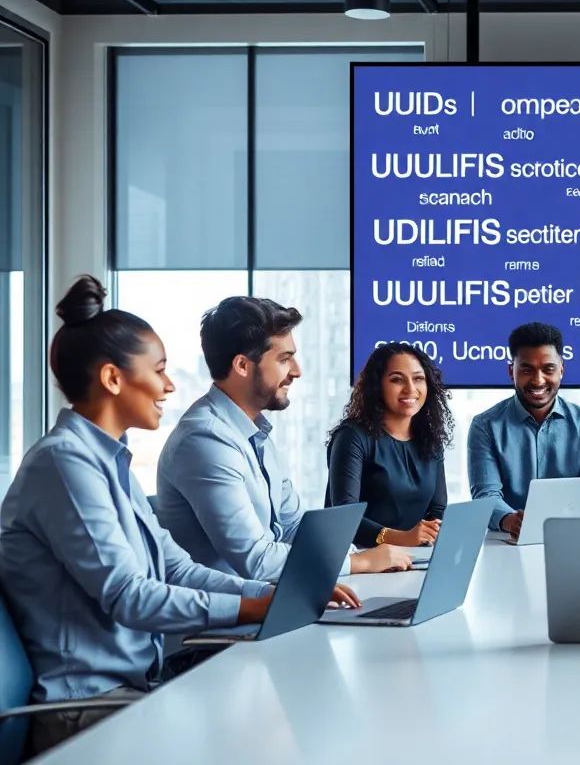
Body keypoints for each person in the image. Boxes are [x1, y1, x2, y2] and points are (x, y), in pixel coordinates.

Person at [0, 277, 316, 755]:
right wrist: (254, 606)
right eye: (161, 370)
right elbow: (129, 596)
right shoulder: (63, 464)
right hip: (85, 713)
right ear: (113, 378)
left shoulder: (111, 462)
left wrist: (276, 593)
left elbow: (177, 569)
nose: (170, 385)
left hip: (132, 692)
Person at [155, 296, 410, 579]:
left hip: (270, 599)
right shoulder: (205, 440)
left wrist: (356, 555)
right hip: (228, 614)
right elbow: (257, 559)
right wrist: (359, 563)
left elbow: (293, 526)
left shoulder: (253, 432)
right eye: (284, 359)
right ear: (242, 365)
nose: (297, 371)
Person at [468, 322, 580, 538]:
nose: (538, 380)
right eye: (527, 369)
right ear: (511, 371)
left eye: (548, 369)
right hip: (506, 543)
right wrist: (511, 520)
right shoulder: (486, 426)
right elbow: (485, 496)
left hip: (573, 540)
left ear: (561, 370)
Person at [327, 342, 453, 548]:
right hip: (361, 559)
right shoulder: (352, 436)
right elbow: (344, 517)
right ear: (377, 386)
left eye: (418, 379)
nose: (410, 389)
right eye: (397, 380)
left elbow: (438, 508)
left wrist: (427, 537)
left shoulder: (430, 437)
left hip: (414, 558)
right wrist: (400, 538)